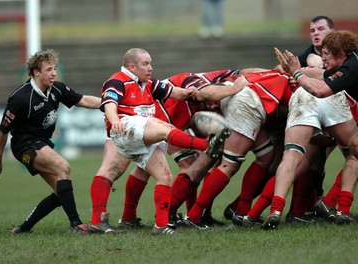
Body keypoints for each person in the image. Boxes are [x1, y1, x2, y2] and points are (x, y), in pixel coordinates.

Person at [90, 48, 230, 236]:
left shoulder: (148, 83)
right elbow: (109, 103)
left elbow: (173, 92)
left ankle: (161, 225)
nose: (150, 68)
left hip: (141, 134)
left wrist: (188, 92)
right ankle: (206, 146)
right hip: (126, 128)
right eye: (145, 64)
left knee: (164, 176)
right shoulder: (117, 80)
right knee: (166, 129)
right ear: (132, 66)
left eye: (150, 63)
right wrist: (114, 120)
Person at [0, 49, 102, 234]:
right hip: (24, 145)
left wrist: (110, 103)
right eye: (49, 69)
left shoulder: (56, 88)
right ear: (36, 72)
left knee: (60, 192)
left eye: (54, 68)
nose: (54, 73)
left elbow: (85, 100)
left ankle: (24, 229)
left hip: (41, 143)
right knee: (63, 167)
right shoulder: (20, 98)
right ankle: (76, 225)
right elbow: (2, 132)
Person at [262, 30, 358, 229]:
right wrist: (294, 70)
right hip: (328, 100)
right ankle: (343, 211)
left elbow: (321, 88)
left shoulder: (352, 65)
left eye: (326, 54)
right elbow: (322, 77)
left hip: (308, 96)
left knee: (291, 157)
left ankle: (275, 211)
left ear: (341, 52)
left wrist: (296, 72)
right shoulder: (346, 63)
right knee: (353, 153)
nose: (322, 58)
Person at [179, 70, 294, 228]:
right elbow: (201, 94)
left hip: (243, 98)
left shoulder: (277, 75)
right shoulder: (307, 83)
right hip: (246, 102)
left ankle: (240, 211)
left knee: (266, 156)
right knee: (228, 165)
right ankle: (193, 216)